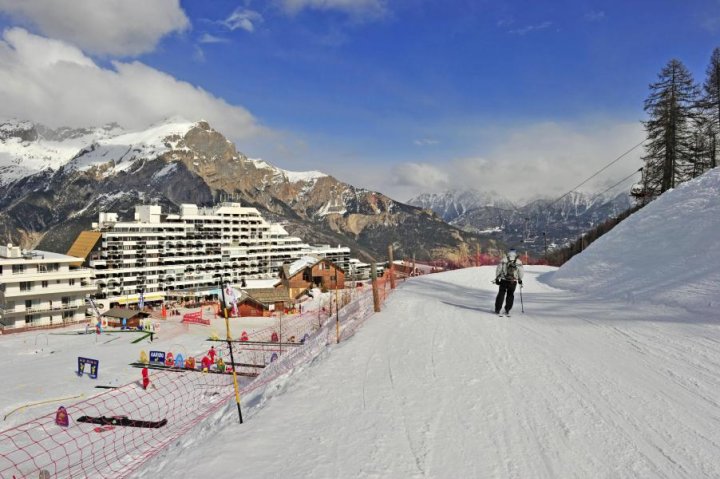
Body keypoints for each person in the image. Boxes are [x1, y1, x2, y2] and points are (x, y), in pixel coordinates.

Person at [494, 248, 524, 316]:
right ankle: (507, 310)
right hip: (513, 281)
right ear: (515, 253)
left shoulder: (504, 259)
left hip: (504, 280)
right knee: (510, 295)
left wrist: (497, 278)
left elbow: (498, 269)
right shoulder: (518, 261)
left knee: (501, 294)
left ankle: (497, 309)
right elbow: (521, 272)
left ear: (509, 252)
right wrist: (519, 279)